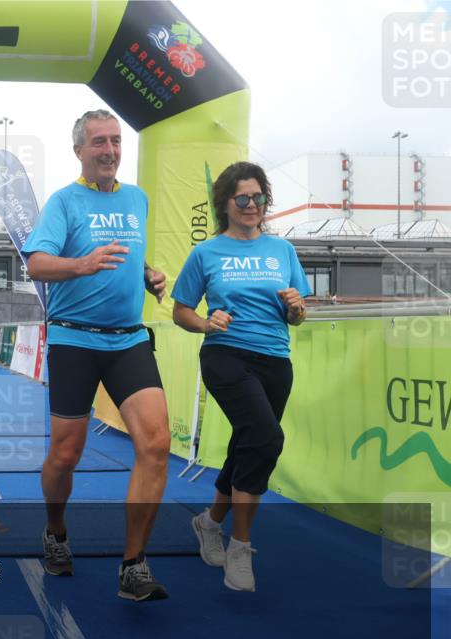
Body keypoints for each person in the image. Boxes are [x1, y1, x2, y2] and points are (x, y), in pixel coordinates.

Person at [21, 110, 170, 602]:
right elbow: (37, 263)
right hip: (75, 338)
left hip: (128, 338)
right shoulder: (64, 202)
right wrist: (82, 264)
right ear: (80, 151)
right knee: (66, 455)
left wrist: (147, 273)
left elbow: (126, 252)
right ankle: (55, 529)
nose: (109, 150)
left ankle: (133, 565)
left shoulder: (137, 199)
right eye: (99, 142)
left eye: (115, 141)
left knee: (156, 444)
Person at [171, 161, 310, 593]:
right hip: (226, 355)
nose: (252, 205)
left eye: (259, 198)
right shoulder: (207, 252)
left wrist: (295, 306)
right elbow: (181, 312)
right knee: (266, 438)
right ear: (226, 204)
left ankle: (209, 522)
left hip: (275, 359)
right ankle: (241, 547)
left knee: (247, 443)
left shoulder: (282, 251)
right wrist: (206, 324)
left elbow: (299, 316)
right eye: (243, 198)